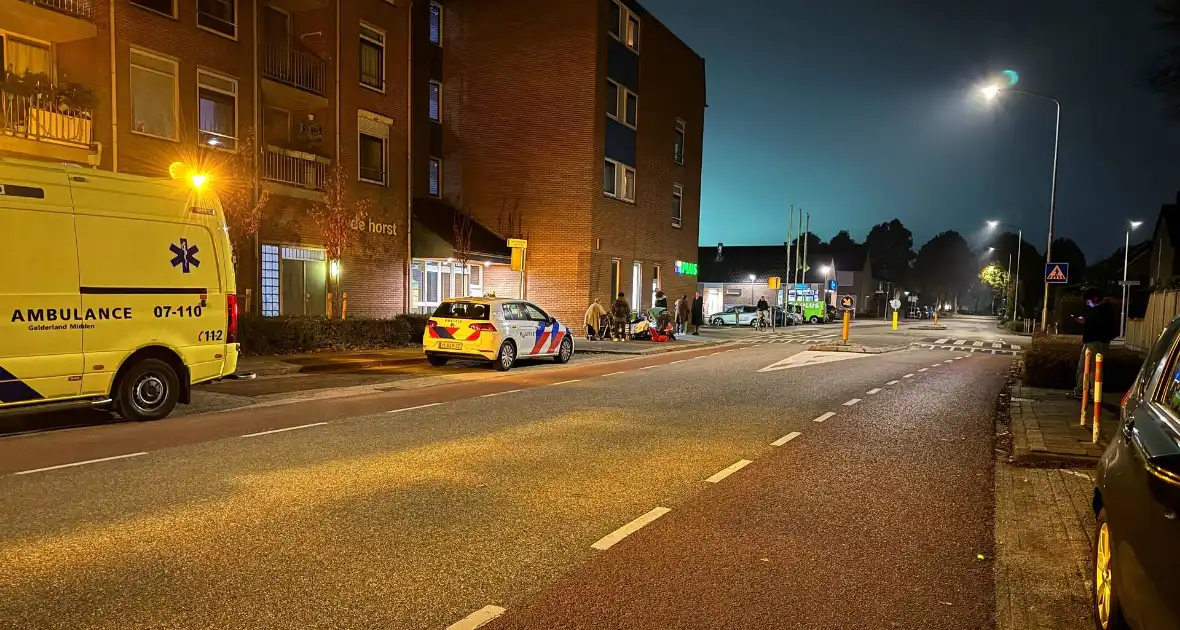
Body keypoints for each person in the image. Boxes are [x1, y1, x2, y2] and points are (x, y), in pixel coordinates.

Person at [1071, 288, 1118, 398]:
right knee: (1084, 367)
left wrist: (1085, 320)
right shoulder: (1100, 308)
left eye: (1088, 301)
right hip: (1092, 341)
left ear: (1096, 298)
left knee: (1092, 367)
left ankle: (1091, 392)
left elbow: (1097, 322)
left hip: (1095, 341)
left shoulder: (1102, 308)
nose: (1087, 304)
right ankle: (1081, 390)